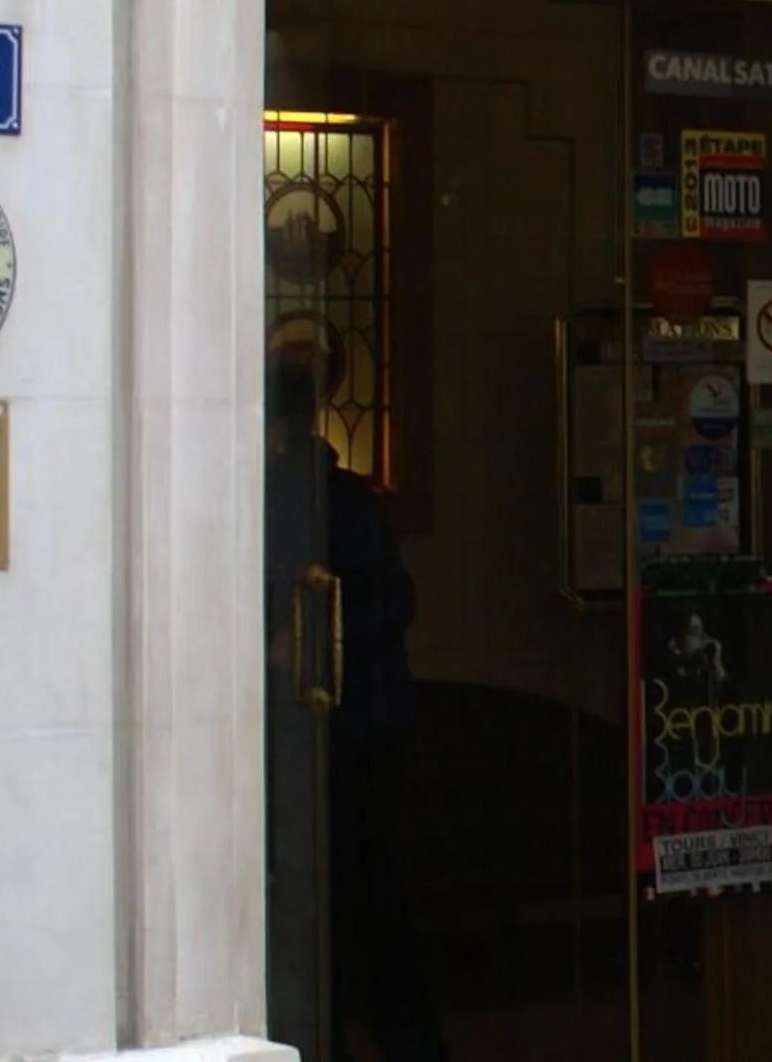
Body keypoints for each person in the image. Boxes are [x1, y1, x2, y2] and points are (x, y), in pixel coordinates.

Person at [268, 364, 448, 1062]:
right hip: (334, 733)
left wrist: (305, 646)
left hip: (350, 733)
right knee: (348, 907)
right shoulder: (305, 494)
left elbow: (392, 601)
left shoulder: (330, 499)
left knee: (360, 904)